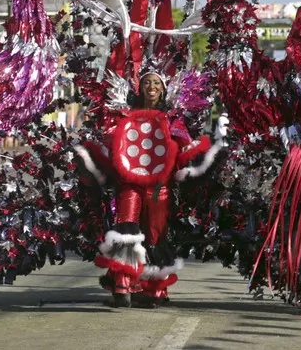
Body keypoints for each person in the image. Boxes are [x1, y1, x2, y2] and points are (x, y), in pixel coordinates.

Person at [75, 69, 227, 308]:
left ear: (163, 88)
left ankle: (151, 289)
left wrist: (204, 150)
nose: (152, 86)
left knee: (156, 235)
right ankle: (123, 282)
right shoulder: (126, 115)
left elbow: (182, 149)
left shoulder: (172, 118)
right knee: (126, 227)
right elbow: (114, 145)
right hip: (129, 183)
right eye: (147, 82)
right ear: (140, 88)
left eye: (156, 82)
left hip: (159, 186)